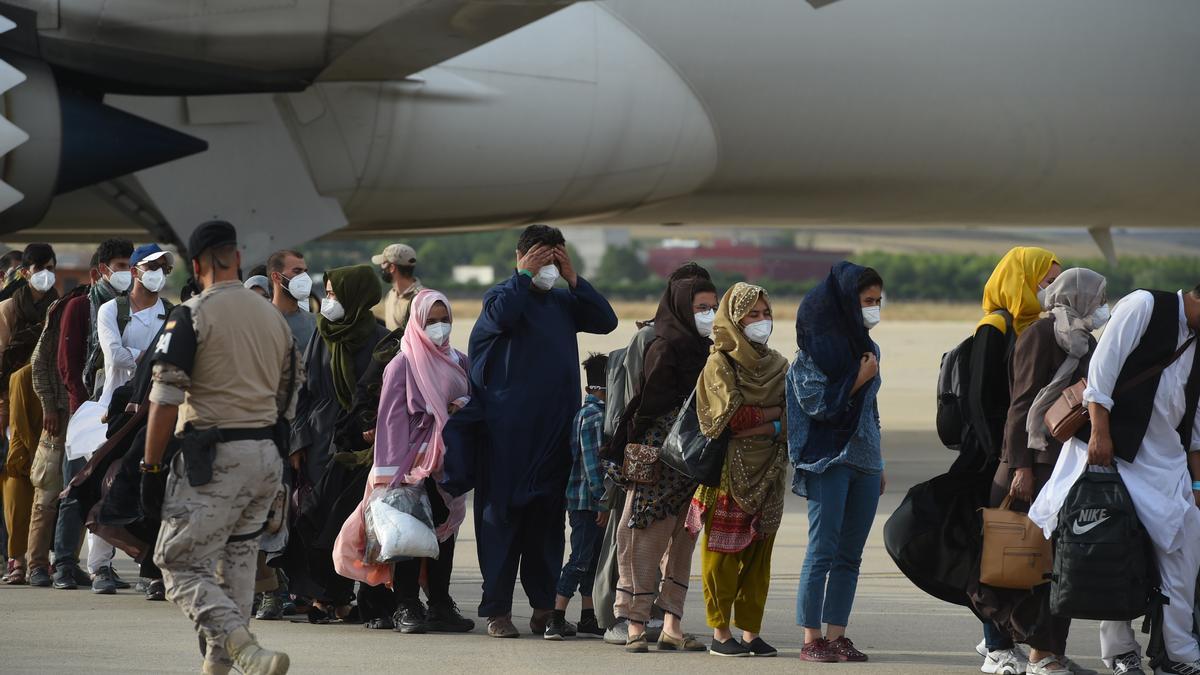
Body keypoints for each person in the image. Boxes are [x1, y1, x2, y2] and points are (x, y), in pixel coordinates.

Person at [442, 224, 617, 638]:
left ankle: (543, 608)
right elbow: (502, 317)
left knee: (546, 528)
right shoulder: (502, 296)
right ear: (522, 258)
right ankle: (498, 611)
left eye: (556, 258)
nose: (550, 267)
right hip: (506, 440)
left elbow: (606, 321)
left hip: (553, 436)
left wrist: (573, 279)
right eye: (543, 258)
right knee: (500, 524)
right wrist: (523, 275)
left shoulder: (561, 301)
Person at [143, 220, 300, 675]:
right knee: (235, 573)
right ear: (234, 256)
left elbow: (165, 399)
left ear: (197, 264)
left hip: (216, 459)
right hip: (265, 458)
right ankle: (221, 665)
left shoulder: (192, 313)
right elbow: (291, 396)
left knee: (175, 562)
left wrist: (150, 468)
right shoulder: (275, 318)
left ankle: (242, 646)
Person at [1029, 284, 1200, 675]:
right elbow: (1100, 372)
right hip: (1112, 453)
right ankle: (1122, 654)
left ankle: (1178, 654)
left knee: (1184, 546)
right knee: (1113, 549)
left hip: (1163, 460)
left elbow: (1197, 416)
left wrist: (1197, 482)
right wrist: (1101, 436)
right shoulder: (1144, 306)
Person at [964, 268, 1109, 675]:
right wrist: (1021, 466)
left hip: (1062, 469)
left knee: (1052, 568)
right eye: (1097, 298)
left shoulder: (1086, 343)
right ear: (1078, 297)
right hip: (1026, 467)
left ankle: (1046, 654)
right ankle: (1008, 651)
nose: (1100, 307)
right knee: (1010, 563)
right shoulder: (1040, 336)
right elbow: (1021, 406)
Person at [595, 262, 712, 645]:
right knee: (642, 543)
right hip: (659, 464)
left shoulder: (708, 351)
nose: (708, 315)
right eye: (700, 308)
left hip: (692, 464)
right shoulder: (663, 346)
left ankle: (671, 626)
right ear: (680, 305)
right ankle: (633, 626)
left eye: (713, 307)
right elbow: (644, 406)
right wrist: (625, 448)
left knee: (683, 544)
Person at [959, 247, 1061, 674]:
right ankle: (995, 644)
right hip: (994, 458)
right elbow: (981, 401)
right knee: (998, 554)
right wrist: (1000, 457)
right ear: (1022, 279)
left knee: (1022, 555)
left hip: (1013, 455)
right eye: (1045, 281)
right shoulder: (995, 327)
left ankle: (1009, 639)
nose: (1050, 289)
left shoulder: (1033, 328)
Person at [787, 263, 885, 662]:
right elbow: (817, 406)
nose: (874, 309)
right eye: (867, 301)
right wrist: (857, 380)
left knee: (851, 555)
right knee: (822, 550)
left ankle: (837, 634)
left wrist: (878, 459)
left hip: (865, 461)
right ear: (846, 302)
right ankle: (812, 638)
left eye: (879, 301)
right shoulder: (810, 355)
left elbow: (871, 410)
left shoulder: (868, 350)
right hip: (828, 460)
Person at [688, 282, 790, 658]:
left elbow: (794, 415)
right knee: (722, 557)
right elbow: (729, 417)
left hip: (771, 472)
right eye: (753, 315)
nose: (762, 322)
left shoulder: (779, 363)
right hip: (731, 475)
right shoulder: (720, 362)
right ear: (734, 318)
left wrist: (767, 423)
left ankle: (750, 633)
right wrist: (774, 415)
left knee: (759, 560)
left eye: (766, 314)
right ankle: (720, 632)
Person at [370, 289, 475, 634]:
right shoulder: (402, 363)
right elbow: (390, 420)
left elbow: (470, 399)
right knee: (410, 535)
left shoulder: (458, 360)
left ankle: (441, 603)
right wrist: (391, 476)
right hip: (410, 467)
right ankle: (407, 604)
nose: (439, 327)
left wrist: (460, 405)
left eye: (445, 320)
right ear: (416, 322)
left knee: (444, 535)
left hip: (447, 464)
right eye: (431, 321)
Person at [284, 264, 386, 618]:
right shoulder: (321, 333)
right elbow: (304, 390)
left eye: (333, 293)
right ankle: (324, 595)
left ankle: (353, 594)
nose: (328, 301)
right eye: (326, 293)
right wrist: (297, 440)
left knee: (351, 522)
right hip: (318, 440)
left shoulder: (381, 340)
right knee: (315, 518)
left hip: (359, 446)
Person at [86, 244, 174, 592]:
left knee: (144, 486)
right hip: (117, 410)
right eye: (153, 266)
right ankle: (100, 567)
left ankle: (148, 566)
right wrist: (153, 357)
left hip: (154, 409)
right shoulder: (112, 309)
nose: (159, 273)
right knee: (106, 482)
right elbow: (115, 354)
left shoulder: (170, 313)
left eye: (164, 268)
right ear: (137, 270)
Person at [52, 239, 132, 590]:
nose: (126, 272)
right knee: (75, 489)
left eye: (130, 265)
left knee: (106, 488)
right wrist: (86, 408)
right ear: (101, 270)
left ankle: (101, 564)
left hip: (112, 412)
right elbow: (67, 366)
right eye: (120, 265)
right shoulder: (80, 307)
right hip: (85, 412)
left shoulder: (126, 308)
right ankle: (64, 564)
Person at [24, 259, 93, 587]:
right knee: (48, 493)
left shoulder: (110, 309)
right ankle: (36, 564)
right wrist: (50, 406)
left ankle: (68, 561)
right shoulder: (67, 309)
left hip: (88, 417)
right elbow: (39, 364)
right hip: (60, 418)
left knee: (78, 490)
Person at [0, 243, 59, 585]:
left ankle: (40, 557)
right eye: (39, 268)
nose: (45, 274)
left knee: (48, 478)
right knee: (17, 474)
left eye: (50, 267)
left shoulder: (59, 307)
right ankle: (15, 559)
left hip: (49, 400)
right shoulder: (9, 308)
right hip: (13, 401)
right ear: (25, 272)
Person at [545, 352, 610, 640]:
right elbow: (593, 463)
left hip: (591, 499)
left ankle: (587, 616)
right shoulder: (593, 416)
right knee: (581, 559)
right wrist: (603, 500)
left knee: (592, 560)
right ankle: (556, 617)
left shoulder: (596, 414)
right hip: (588, 502)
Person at [267, 250, 315, 352]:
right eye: (297, 271)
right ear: (276, 277)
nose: (304, 278)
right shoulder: (261, 322)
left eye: (305, 272)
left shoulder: (315, 323)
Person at [373, 244, 423, 331]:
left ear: (392, 268)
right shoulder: (391, 294)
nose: (381, 268)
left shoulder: (421, 299)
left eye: (383, 263)